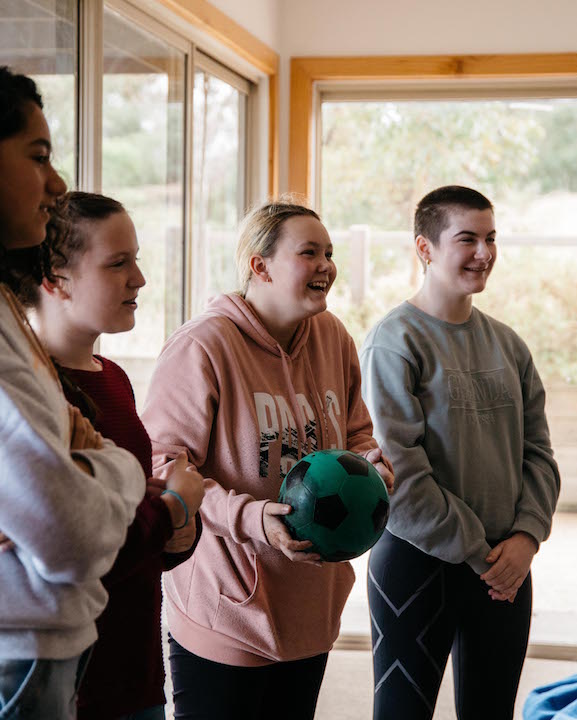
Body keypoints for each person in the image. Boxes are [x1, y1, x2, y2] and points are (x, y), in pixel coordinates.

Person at [141, 199, 395, 720]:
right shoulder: (202, 346)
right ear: (260, 265)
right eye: (309, 252)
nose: (327, 264)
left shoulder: (334, 338)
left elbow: (356, 431)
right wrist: (250, 517)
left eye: (329, 252)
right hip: (227, 608)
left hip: (311, 604)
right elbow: (164, 466)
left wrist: (372, 466)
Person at [359, 185, 561, 720]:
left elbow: (538, 453)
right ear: (424, 248)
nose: (484, 252)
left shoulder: (509, 345)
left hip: (507, 565)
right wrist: (482, 553)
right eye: (467, 238)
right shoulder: (394, 340)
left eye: (491, 238)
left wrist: (525, 538)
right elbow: (400, 469)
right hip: (419, 565)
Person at [0, 64, 146, 719]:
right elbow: (72, 535)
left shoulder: (2, 306)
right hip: (20, 652)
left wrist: (89, 466)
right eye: (38, 154)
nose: (56, 182)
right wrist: (117, 468)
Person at [29, 191, 205, 720]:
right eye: (117, 263)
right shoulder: (32, 396)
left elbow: (138, 537)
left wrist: (178, 526)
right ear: (55, 280)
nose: (140, 279)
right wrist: (173, 506)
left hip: (138, 672)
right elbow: (78, 547)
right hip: (69, 682)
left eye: (137, 259)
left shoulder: (116, 380)